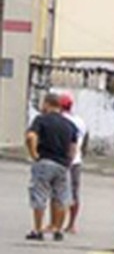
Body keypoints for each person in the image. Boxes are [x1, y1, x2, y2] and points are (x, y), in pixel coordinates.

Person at [25, 93, 78, 241]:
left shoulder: (41, 120)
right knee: (60, 198)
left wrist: (34, 153)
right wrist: (69, 161)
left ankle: (37, 229)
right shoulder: (70, 125)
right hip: (62, 165)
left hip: (45, 161)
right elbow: (73, 147)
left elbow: (31, 136)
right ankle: (57, 229)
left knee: (40, 195)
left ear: (47, 104)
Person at [60, 92, 88, 234]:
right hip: (76, 160)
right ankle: (71, 224)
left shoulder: (59, 120)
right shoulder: (80, 121)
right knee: (74, 193)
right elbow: (85, 142)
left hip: (61, 160)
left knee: (59, 193)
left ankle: (56, 222)